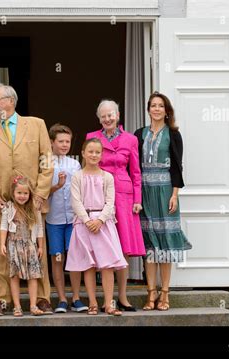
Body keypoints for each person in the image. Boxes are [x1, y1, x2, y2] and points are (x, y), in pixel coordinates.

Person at [0, 84, 54, 316]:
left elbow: (46, 161)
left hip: (32, 203)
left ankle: (41, 298)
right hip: (2, 203)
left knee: (37, 250)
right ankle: (2, 299)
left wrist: (40, 194)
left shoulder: (36, 124)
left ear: (11, 101)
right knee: (3, 253)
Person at [134, 92, 192, 311]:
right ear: (148, 109)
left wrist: (175, 194)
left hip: (166, 192)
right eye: (153, 105)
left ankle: (165, 294)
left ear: (166, 111)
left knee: (165, 243)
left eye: (160, 106)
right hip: (145, 192)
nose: (156, 109)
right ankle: (151, 294)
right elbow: (134, 166)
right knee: (149, 242)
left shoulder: (173, 134)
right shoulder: (139, 134)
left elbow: (177, 166)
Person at [86, 100, 145, 311]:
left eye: (110, 115)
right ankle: (103, 299)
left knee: (123, 248)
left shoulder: (130, 139)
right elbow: (89, 166)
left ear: (118, 115)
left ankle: (122, 296)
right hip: (98, 194)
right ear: (99, 118)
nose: (107, 119)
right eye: (103, 116)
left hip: (124, 196)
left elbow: (136, 172)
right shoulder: (92, 138)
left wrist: (137, 199)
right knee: (101, 245)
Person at [65, 138, 128, 316]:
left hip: (103, 224)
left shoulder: (107, 177)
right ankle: (92, 302)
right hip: (84, 223)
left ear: (102, 155)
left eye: (97, 152)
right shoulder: (78, 176)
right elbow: (75, 201)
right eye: (90, 151)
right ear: (83, 153)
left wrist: (100, 220)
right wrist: (87, 220)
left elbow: (110, 202)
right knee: (89, 265)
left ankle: (108, 303)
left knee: (107, 265)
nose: (94, 155)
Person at [46, 124, 88, 313]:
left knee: (75, 257)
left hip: (73, 219)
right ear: (51, 142)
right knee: (57, 258)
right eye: (61, 141)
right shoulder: (45, 164)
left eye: (67, 141)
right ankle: (62, 298)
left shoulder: (75, 164)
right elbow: (40, 192)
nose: (64, 145)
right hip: (54, 220)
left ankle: (76, 297)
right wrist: (57, 185)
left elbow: (80, 191)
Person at [0, 176, 45, 316]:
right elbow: (4, 226)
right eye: (19, 193)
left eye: (25, 193)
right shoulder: (9, 207)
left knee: (33, 276)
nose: (22, 196)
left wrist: (40, 246)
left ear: (29, 194)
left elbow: (39, 229)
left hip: (30, 244)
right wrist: (2, 243)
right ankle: (17, 306)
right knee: (14, 275)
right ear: (13, 193)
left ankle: (33, 306)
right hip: (14, 244)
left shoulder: (34, 208)